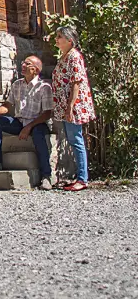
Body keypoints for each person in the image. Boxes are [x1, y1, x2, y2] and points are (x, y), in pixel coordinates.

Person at [0, 55, 53, 190]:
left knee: (38, 135)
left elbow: (47, 113)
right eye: (23, 62)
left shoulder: (44, 87)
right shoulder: (17, 84)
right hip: (20, 122)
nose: (23, 65)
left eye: (27, 63)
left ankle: (46, 176)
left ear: (35, 70)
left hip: (37, 124)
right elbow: (8, 105)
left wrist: (29, 127)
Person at [52, 25, 95, 192]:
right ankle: (79, 176)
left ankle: (83, 179)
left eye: (60, 36)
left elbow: (76, 82)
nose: (57, 39)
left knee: (76, 141)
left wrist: (70, 107)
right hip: (65, 105)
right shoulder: (64, 56)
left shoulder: (74, 57)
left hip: (73, 105)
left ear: (69, 40)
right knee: (73, 140)